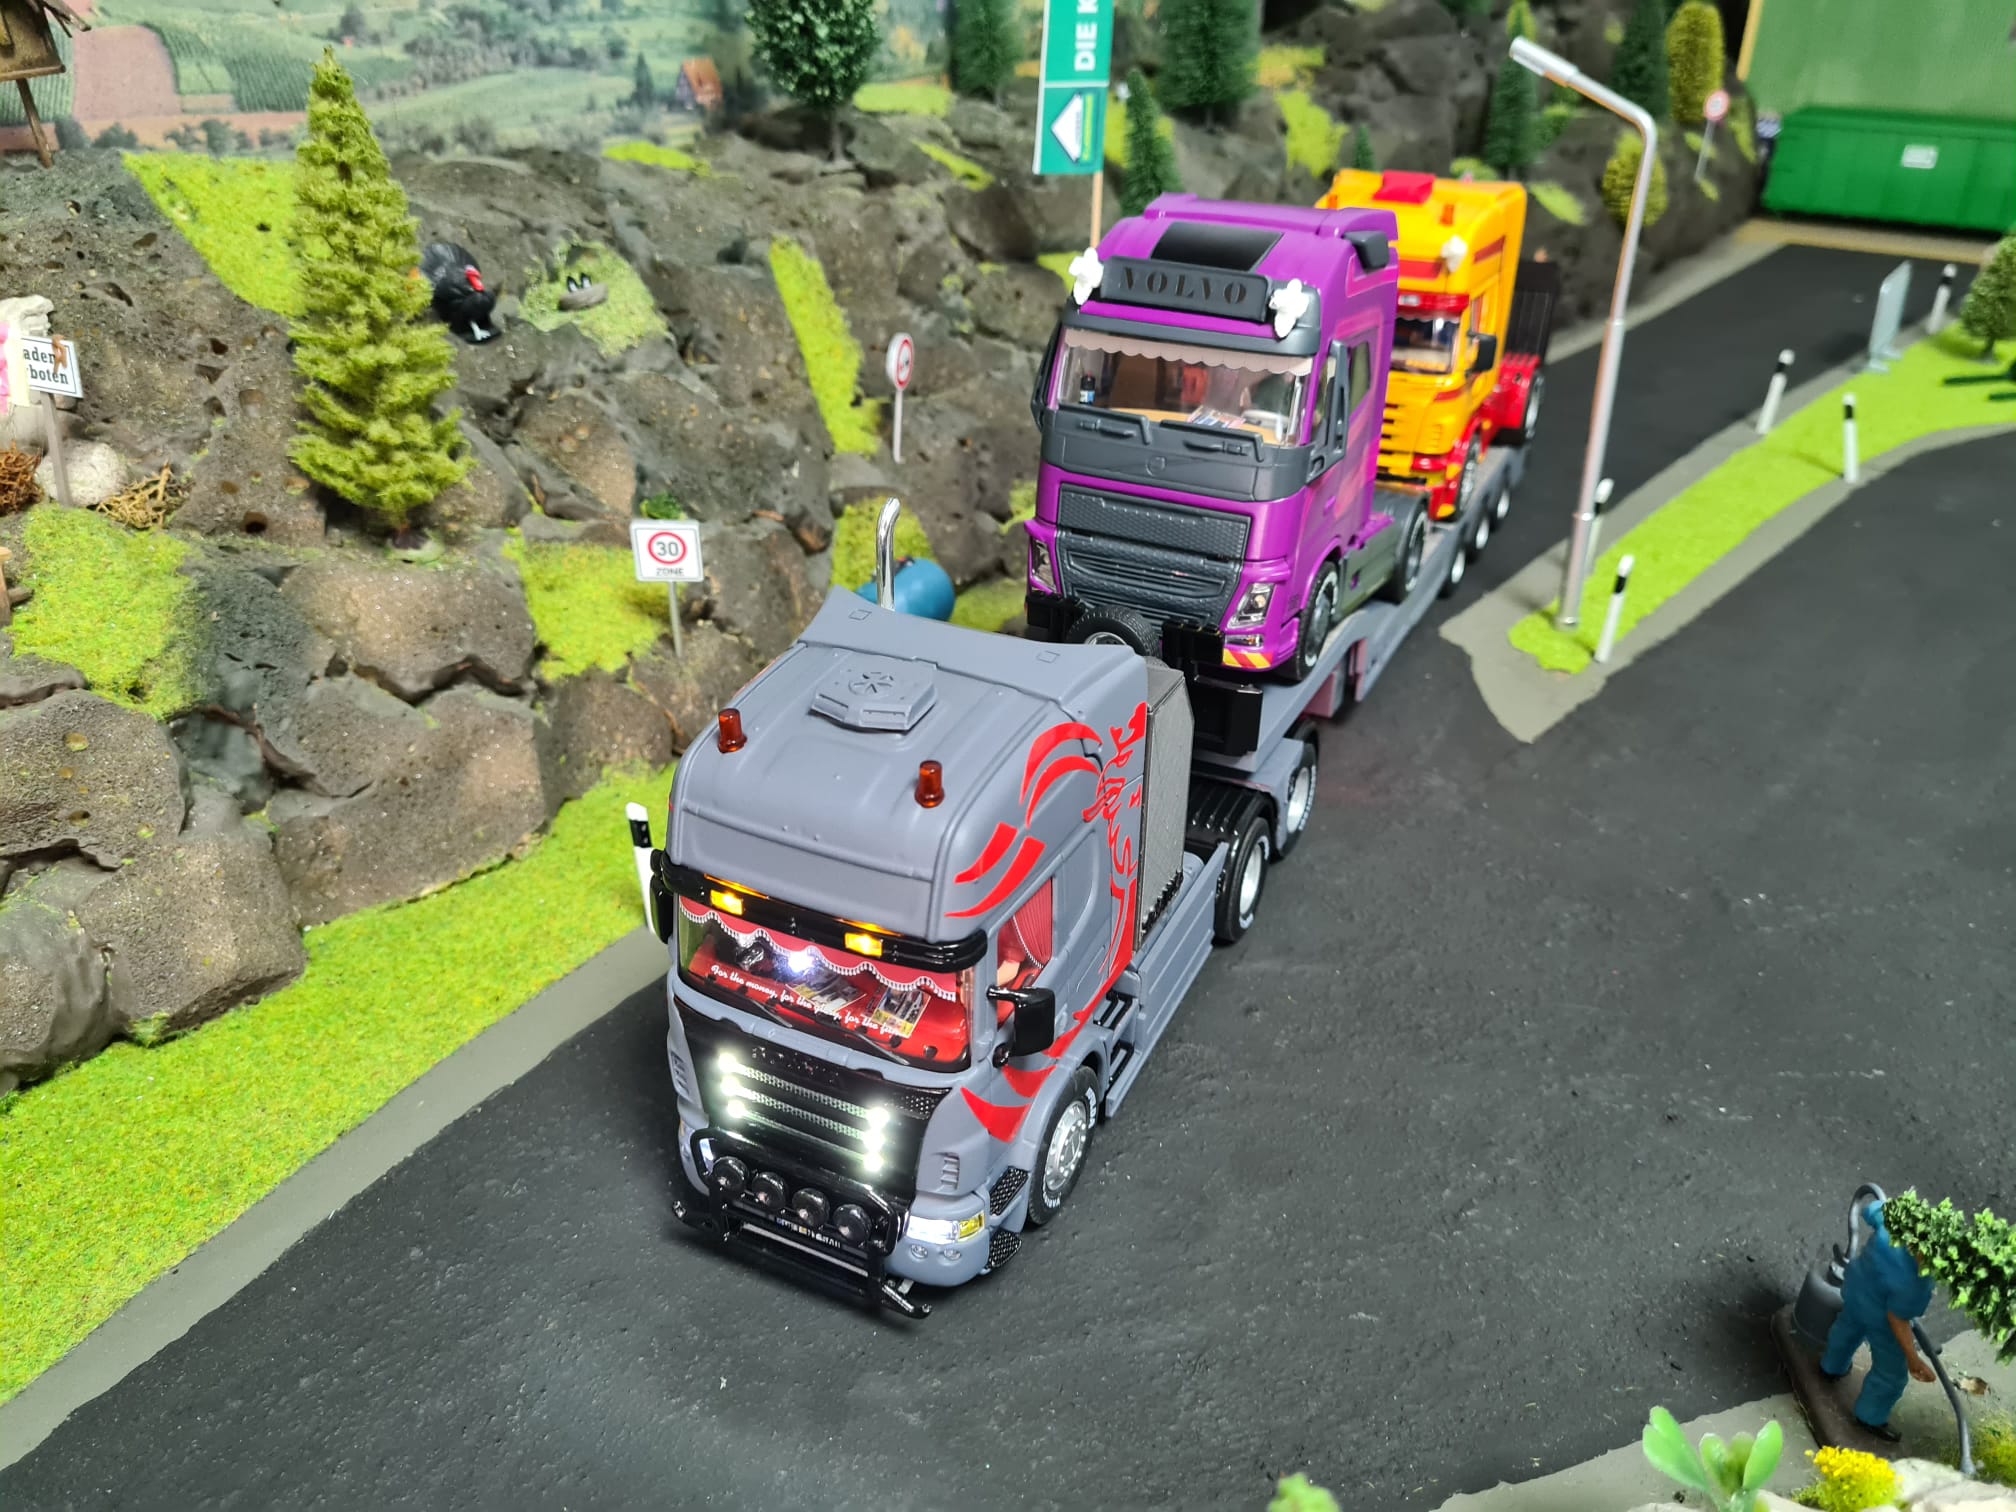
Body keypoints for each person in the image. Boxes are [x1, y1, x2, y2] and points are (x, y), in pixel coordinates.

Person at [1820, 1198, 1938, 1440]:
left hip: (1855, 1292)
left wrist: (1897, 1208)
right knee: (1891, 1373)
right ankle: (1869, 1415)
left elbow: (1870, 1209)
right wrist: (1912, 1358)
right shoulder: (1918, 1284)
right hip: (1881, 1321)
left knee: (1845, 1330)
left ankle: (1831, 1367)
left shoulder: (1892, 1228)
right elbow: (1898, 1320)